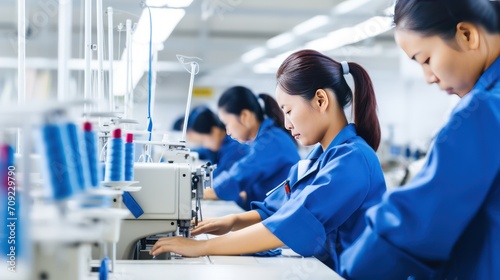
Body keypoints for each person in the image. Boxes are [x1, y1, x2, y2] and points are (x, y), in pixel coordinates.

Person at [150, 50, 386, 272]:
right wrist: (231, 221)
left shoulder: (352, 160)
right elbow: (278, 209)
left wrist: (202, 247)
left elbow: (290, 224)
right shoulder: (317, 158)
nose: (286, 123)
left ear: (321, 100)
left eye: (289, 110)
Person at [340, 0, 500, 279]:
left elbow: (418, 221)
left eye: (425, 60)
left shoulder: (484, 109)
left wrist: (352, 269)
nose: (428, 78)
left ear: (467, 35)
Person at [203, 86, 300, 210]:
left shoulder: (271, 141)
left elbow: (239, 174)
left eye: (227, 123)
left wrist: (197, 193)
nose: (227, 131)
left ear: (244, 116)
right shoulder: (266, 137)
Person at [185, 105, 250, 178]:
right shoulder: (218, 147)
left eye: (203, 141)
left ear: (215, 131)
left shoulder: (235, 151)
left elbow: (217, 178)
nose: (205, 146)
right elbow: (199, 151)